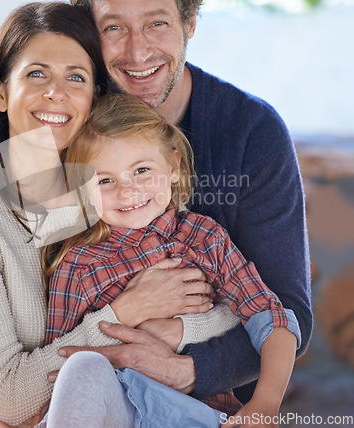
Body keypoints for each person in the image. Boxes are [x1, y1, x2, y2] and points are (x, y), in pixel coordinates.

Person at [0, 0, 312, 426]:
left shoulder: (251, 133)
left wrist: (188, 365)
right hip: (69, 381)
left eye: (157, 23)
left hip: (200, 390)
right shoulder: (72, 117)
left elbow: (283, 307)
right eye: (114, 28)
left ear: (190, 24)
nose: (137, 53)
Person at [40, 93, 301, 427]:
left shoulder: (203, 237)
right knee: (80, 369)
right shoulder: (78, 265)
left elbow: (272, 318)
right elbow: (59, 370)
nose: (128, 190)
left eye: (142, 170)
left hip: (194, 415)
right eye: (104, 180)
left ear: (174, 166)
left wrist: (265, 403)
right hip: (118, 411)